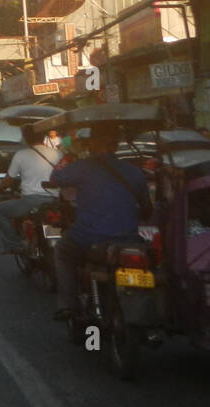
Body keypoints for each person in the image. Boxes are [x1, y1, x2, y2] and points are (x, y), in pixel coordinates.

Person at [51, 126, 151, 321]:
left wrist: (65, 160)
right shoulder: (135, 172)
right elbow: (147, 209)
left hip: (89, 237)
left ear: (92, 145)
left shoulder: (82, 166)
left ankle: (68, 306)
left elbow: (55, 178)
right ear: (115, 146)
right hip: (128, 238)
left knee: (61, 250)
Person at [0, 125, 61, 252]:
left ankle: (14, 245)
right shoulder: (58, 153)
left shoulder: (21, 154)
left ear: (25, 138)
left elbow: (8, 181)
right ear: (43, 137)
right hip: (55, 201)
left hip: (30, 202)